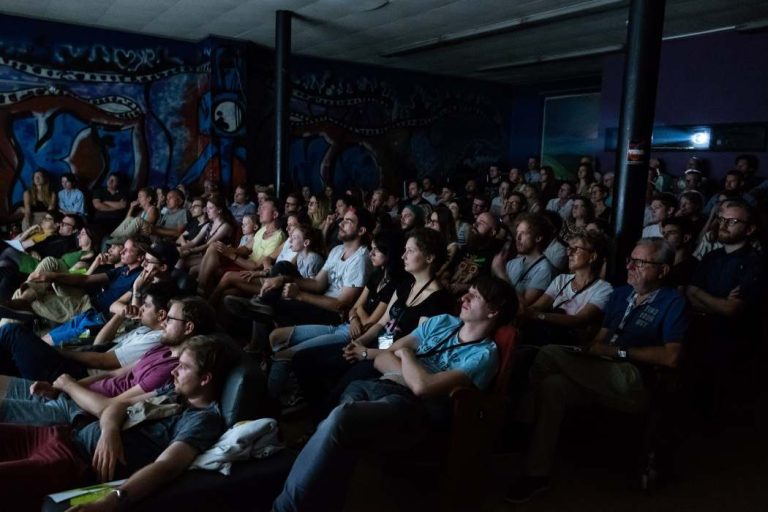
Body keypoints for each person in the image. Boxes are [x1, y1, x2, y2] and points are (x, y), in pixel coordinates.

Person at [273, 276, 517, 512]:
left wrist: (408, 355)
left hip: (410, 407)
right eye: (468, 291)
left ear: (493, 311)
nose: (464, 297)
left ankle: (285, 507)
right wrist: (409, 370)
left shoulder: (484, 354)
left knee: (341, 419)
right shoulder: (442, 321)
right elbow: (385, 356)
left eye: (475, 296)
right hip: (376, 384)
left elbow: (422, 388)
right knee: (338, 433)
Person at [506, 238, 687, 503]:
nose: (630, 267)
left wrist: (618, 352)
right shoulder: (621, 294)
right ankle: (536, 474)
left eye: (640, 263)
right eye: (630, 260)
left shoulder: (673, 302)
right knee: (553, 385)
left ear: (663, 270)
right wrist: (590, 349)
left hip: (635, 380)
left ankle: (520, 428)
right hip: (601, 371)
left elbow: (672, 357)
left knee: (548, 353)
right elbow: (601, 339)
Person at [0, 335, 231, 510]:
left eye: (184, 367)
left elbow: (166, 467)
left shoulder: (202, 419)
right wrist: (109, 432)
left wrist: (108, 503)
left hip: (74, 461)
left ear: (205, 379)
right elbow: (116, 406)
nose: (174, 371)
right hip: (63, 435)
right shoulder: (174, 391)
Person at [266, 231, 405, 403]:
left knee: (285, 355)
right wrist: (355, 316)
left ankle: (272, 403)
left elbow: (371, 322)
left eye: (377, 250)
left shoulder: (395, 284)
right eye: (372, 248)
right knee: (276, 336)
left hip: (354, 334)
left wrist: (357, 313)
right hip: (345, 325)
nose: (371, 253)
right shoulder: (376, 275)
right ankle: (287, 384)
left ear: (389, 253)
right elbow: (354, 308)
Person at [0, 284, 174, 382]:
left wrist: (55, 352)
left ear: (161, 315)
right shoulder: (145, 329)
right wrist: (119, 316)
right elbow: (99, 345)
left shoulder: (155, 339)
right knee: (8, 359)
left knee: (12, 332)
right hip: (79, 362)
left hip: (79, 375)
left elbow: (102, 361)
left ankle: (20, 309)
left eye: (146, 306)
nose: (141, 308)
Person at [0, 238, 146, 327]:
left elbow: (131, 309)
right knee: (50, 262)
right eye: (123, 248)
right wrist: (51, 276)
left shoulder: (140, 278)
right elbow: (86, 279)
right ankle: (21, 303)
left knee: (32, 299)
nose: (121, 252)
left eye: (127, 250)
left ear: (140, 257)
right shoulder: (121, 270)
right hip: (85, 298)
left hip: (90, 311)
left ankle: (15, 310)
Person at [520, 231, 612, 346]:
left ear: (592, 257)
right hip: (547, 334)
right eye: (569, 249)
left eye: (576, 249)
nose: (569, 254)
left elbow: (579, 320)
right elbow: (538, 306)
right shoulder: (562, 279)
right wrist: (524, 312)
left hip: (570, 343)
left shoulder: (604, 289)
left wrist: (539, 316)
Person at [492, 213, 557, 307]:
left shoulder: (545, 269)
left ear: (538, 238)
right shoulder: (513, 263)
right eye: (517, 233)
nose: (517, 238)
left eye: (523, 233)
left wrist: (501, 273)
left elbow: (524, 304)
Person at [177, 195, 235, 273]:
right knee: (180, 260)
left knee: (190, 267)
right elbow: (194, 242)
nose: (207, 211)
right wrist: (180, 249)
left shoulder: (225, 226)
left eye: (210, 208)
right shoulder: (208, 225)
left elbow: (207, 245)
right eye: (207, 208)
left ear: (219, 210)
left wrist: (189, 251)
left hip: (220, 257)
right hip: (205, 255)